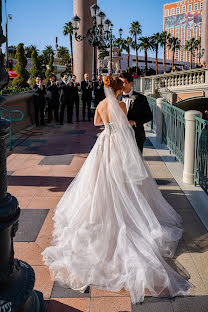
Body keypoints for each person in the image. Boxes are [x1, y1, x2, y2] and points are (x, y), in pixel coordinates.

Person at [42, 75, 192, 304]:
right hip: (118, 145)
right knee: (123, 182)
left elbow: (95, 123)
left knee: (98, 181)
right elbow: (124, 124)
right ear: (117, 88)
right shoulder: (121, 104)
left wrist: (106, 124)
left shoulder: (102, 105)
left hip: (104, 143)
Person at [120, 72, 153, 153]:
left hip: (137, 136)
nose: (121, 85)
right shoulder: (116, 97)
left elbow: (149, 116)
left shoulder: (141, 98)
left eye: (123, 83)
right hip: (121, 137)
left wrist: (135, 122)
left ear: (131, 83)